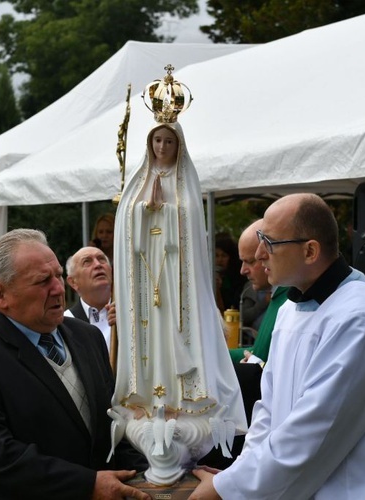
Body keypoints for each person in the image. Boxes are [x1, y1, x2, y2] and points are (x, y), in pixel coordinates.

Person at [191, 193, 365, 500]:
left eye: (270, 242)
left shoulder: (360, 318)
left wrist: (227, 489)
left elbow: (314, 433)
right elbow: (268, 410)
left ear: (310, 251)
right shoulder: (291, 308)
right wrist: (241, 471)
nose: (260, 252)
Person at [0, 229, 149, 499]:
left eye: (58, 275)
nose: (59, 288)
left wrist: (149, 478)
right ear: (0, 294)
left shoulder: (87, 337)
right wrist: (86, 484)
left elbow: (113, 425)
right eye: (43, 281)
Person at [112, 118, 246, 483]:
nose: (161, 149)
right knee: (151, 338)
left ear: (178, 145)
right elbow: (125, 225)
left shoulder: (186, 182)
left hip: (176, 280)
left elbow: (188, 227)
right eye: (156, 141)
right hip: (145, 276)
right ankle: (149, 399)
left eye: (168, 142)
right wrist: (142, 208)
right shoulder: (139, 181)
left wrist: (164, 210)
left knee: (175, 331)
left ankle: (180, 400)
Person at [229, 219, 289, 367]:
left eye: (250, 261)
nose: (243, 270)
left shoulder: (290, 300)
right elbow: (259, 352)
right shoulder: (281, 295)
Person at [64, 246, 114, 350]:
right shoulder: (65, 322)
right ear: (73, 282)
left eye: (101, 259)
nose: (98, 265)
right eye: (87, 262)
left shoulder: (130, 313)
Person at [214, 234, 247, 312]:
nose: (220, 260)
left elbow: (233, 307)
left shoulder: (238, 278)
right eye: (216, 255)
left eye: (224, 256)